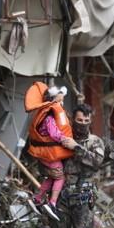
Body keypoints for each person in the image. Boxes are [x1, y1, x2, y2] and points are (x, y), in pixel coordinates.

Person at [47, 104, 105, 228]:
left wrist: (76, 147)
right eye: (79, 120)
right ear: (73, 119)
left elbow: (96, 162)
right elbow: (47, 158)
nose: (83, 123)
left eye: (86, 121)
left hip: (84, 193)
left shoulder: (95, 141)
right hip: (62, 193)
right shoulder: (61, 138)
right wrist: (48, 171)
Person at [27, 85, 73, 220]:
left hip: (45, 152)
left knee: (52, 177)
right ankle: (52, 202)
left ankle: (37, 198)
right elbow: (54, 133)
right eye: (59, 101)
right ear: (52, 100)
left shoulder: (47, 113)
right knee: (60, 176)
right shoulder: (49, 117)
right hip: (49, 152)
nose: (61, 103)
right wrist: (64, 139)